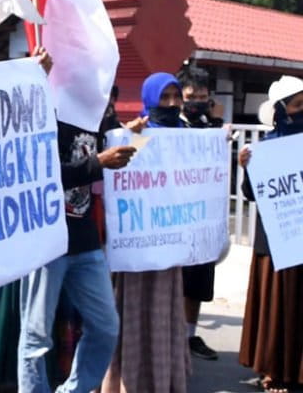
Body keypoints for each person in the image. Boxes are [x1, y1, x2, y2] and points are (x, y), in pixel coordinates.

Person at [18, 120, 136, 392]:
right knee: (36, 336)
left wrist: (133, 134)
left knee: (106, 327)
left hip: (85, 241)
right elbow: (38, 173)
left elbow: (117, 143)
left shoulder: (97, 114)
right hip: (46, 242)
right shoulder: (44, 111)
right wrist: (97, 163)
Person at [101, 72, 189, 393]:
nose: (171, 104)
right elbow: (120, 176)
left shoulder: (189, 136)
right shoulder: (138, 134)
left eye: (175, 97)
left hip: (171, 243)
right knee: (132, 312)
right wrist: (129, 137)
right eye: (163, 97)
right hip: (137, 247)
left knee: (164, 311)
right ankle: (126, 381)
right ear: (149, 99)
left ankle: (163, 377)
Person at [238, 75, 303, 393]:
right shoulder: (264, 148)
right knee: (277, 308)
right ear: (281, 110)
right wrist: (246, 167)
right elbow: (250, 194)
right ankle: (273, 371)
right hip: (275, 241)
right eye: (298, 105)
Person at [176, 67, 223, 361]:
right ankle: (172, 337)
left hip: (204, 217)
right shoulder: (171, 127)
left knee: (198, 283)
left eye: (202, 97)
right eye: (191, 97)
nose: (197, 102)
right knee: (176, 281)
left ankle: (189, 336)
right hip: (175, 217)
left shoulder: (211, 126)